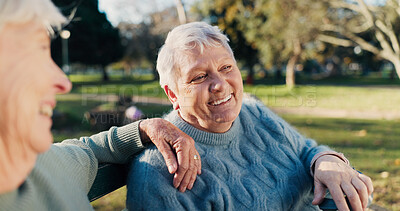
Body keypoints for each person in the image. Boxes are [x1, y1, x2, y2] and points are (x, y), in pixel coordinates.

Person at [126, 22, 374, 211]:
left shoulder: (253, 111)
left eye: (226, 68)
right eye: (199, 77)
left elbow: (305, 150)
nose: (220, 85)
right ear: (173, 94)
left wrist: (326, 160)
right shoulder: (158, 174)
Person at [0, 0, 201, 209]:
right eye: (31, 55)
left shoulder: (48, 162)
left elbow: (92, 149)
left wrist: (148, 127)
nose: (64, 82)